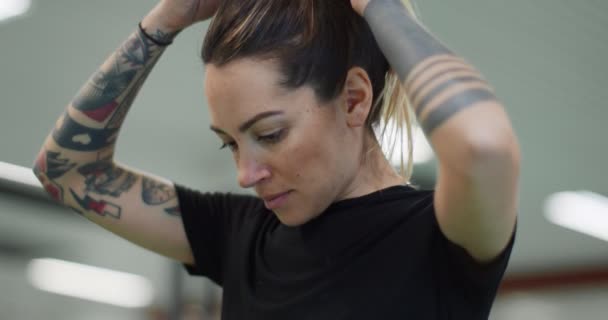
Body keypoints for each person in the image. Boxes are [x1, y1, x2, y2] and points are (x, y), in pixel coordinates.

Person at [33, 0, 520, 318]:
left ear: (353, 99)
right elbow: (68, 173)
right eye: (231, 143)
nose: (246, 175)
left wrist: (381, 9)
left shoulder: (438, 237)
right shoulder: (241, 234)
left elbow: (483, 143)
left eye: (270, 133)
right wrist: (164, 22)